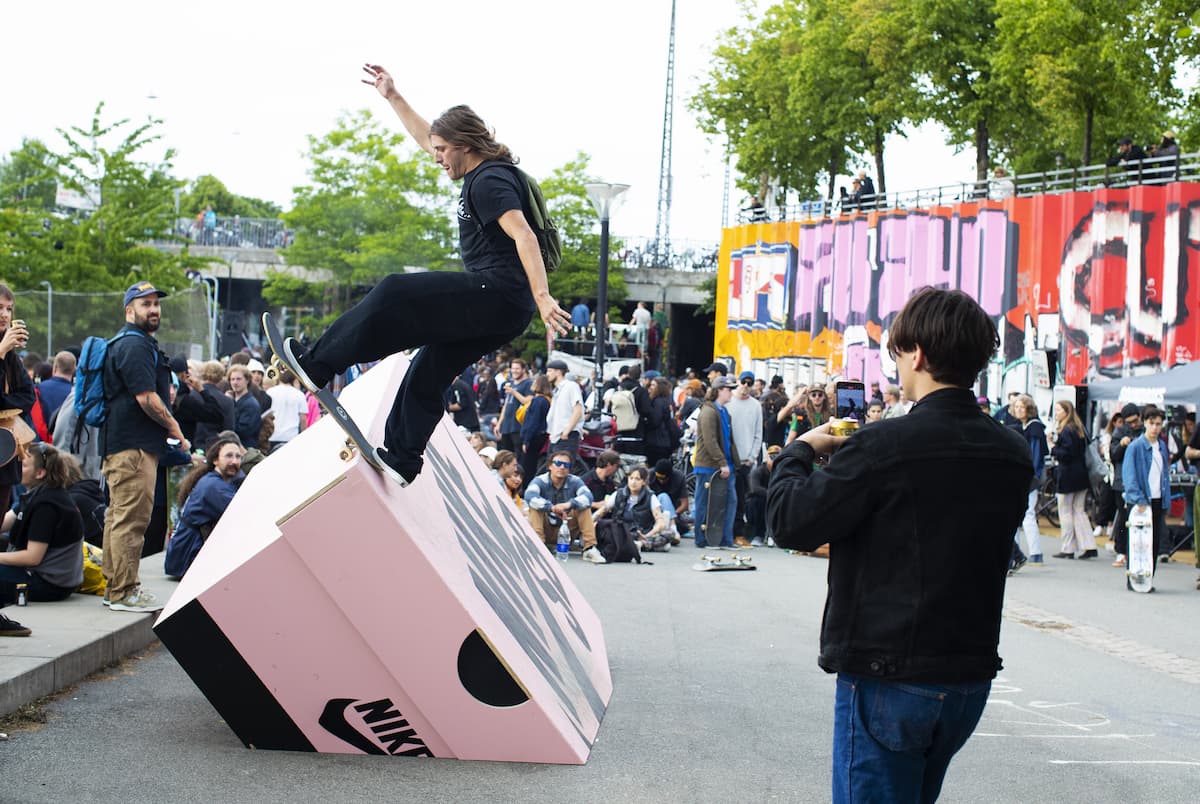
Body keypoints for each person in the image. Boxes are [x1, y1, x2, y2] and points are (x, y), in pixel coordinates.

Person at [766, 287, 1032, 803]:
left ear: (919, 354)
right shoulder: (1012, 452)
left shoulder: (882, 446)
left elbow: (790, 522)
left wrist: (801, 449)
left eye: (898, 353)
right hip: (967, 674)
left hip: (888, 672)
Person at [279, 64, 571, 487]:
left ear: (465, 146)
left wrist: (543, 295)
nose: (435, 157)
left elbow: (524, 235)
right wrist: (393, 96)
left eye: (441, 150)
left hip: (499, 293)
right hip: (508, 309)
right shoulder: (482, 169)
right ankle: (402, 458)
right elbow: (423, 135)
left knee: (396, 292)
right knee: (429, 370)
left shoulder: (488, 181)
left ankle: (318, 363)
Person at [100, 283, 190, 613]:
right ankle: (124, 591)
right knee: (131, 520)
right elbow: (146, 397)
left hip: (128, 444)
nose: (153, 309)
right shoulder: (134, 346)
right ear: (129, 310)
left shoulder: (137, 343)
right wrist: (174, 428)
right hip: (132, 447)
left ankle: (116, 588)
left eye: (156, 304)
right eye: (145, 304)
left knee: (118, 517)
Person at [0, 445, 85, 618]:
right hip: (41, 575)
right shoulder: (35, 494)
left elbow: (33, 557)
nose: (17, 468)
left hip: (49, 584)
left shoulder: (47, 505)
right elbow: (2, 524)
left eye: (23, 465)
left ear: (40, 473)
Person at [164, 434, 245, 578]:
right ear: (215, 460)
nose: (234, 461)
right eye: (229, 456)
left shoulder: (218, 480)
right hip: (186, 558)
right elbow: (244, 515)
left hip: (182, 556)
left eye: (238, 457)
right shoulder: (213, 486)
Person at [524, 450, 605, 563]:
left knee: (583, 506)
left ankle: (589, 548)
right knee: (535, 507)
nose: (562, 467)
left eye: (566, 465)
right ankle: (538, 546)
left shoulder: (575, 481)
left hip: (567, 529)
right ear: (550, 466)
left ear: (569, 469)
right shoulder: (540, 480)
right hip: (546, 527)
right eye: (558, 463)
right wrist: (551, 507)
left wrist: (569, 504)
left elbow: (588, 497)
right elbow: (529, 496)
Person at [1121, 406, 1170, 588]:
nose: (1155, 428)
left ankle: (1149, 578)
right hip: (1141, 500)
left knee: (1154, 542)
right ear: (1145, 423)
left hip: (1157, 499)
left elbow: (1164, 474)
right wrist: (1138, 499)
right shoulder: (1136, 446)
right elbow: (1130, 475)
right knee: (1137, 542)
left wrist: (1166, 499)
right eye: (1152, 423)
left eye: (1158, 424)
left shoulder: (1162, 446)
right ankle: (1133, 578)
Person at [692, 376, 740, 548]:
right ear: (719, 390)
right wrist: (722, 463)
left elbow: (728, 440)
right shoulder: (708, 411)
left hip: (725, 465)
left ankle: (725, 539)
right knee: (704, 503)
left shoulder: (724, 412)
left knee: (728, 502)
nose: (731, 393)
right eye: (728, 389)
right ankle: (701, 538)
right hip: (709, 466)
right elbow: (710, 441)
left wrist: (734, 463)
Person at [0, 286, 34, 515]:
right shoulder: (5, 352)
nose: (5, 314)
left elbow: (28, 397)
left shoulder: (13, 358)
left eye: (9, 309)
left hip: (5, 456)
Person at [1050, 399, 1097, 559]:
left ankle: (1068, 547)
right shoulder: (1078, 429)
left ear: (1066, 412)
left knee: (1065, 511)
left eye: (1058, 410)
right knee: (1079, 511)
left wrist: (1053, 448)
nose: (1056, 413)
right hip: (1081, 474)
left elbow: (1066, 453)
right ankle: (1088, 545)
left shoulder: (1066, 431)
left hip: (1068, 475)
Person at [727, 371, 763, 547]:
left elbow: (758, 433)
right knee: (726, 497)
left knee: (741, 499)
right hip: (728, 458)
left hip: (746, 460)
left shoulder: (756, 405)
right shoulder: (728, 402)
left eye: (750, 383)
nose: (746, 386)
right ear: (738, 381)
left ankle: (738, 533)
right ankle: (725, 533)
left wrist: (752, 457)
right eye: (744, 382)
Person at [598, 466, 670, 552]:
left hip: (642, 533)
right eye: (631, 478)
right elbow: (602, 511)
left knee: (669, 534)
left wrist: (647, 535)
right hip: (621, 532)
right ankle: (644, 545)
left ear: (643, 482)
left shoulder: (651, 497)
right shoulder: (618, 494)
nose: (633, 482)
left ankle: (640, 544)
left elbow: (660, 522)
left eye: (637, 479)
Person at [1012, 394, 1047, 565]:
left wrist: (1032, 475)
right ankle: (1017, 551)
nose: (1018, 409)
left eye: (1021, 406)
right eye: (1016, 406)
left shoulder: (1034, 428)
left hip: (1030, 476)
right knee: (1021, 514)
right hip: (1024, 474)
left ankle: (1035, 552)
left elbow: (1036, 456)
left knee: (1028, 513)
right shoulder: (1023, 426)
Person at [1108, 403, 1144, 567]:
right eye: (1129, 422)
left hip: (1141, 481)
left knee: (1140, 517)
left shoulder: (1146, 431)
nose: (1133, 425)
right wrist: (1121, 445)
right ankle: (1121, 551)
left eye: (1135, 420)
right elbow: (1112, 454)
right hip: (1122, 482)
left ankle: (1138, 551)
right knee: (1123, 518)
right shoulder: (1120, 432)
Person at [519, 373, 553, 487]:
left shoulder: (537, 400)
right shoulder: (547, 400)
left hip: (533, 437)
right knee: (533, 464)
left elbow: (532, 422)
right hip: (541, 435)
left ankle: (524, 488)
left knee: (527, 465)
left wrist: (526, 440)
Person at [545, 359, 583, 460]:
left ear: (558, 372)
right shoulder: (557, 390)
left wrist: (566, 431)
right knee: (552, 468)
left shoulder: (571, 386)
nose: (547, 374)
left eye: (549, 371)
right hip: (556, 436)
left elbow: (578, 410)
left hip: (566, 436)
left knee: (563, 468)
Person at [746, 444, 781, 546]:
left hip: (775, 501)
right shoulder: (758, 472)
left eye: (778, 458)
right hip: (759, 502)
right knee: (757, 501)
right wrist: (773, 494)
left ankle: (777, 536)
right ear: (767, 458)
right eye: (772, 457)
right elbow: (755, 488)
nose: (775, 460)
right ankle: (758, 535)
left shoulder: (782, 472)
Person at [265, 368, 308, 451]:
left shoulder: (270, 392)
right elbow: (303, 419)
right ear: (295, 379)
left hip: (271, 436)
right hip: (291, 437)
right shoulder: (299, 394)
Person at [496, 358, 532, 453]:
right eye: (513, 368)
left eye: (517, 368)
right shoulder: (510, 383)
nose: (514, 371)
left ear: (523, 370)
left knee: (518, 454)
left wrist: (513, 392)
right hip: (506, 425)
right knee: (506, 454)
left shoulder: (528, 383)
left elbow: (527, 401)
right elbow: (506, 405)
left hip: (518, 426)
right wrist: (499, 424)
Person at [650, 457, 691, 539]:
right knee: (663, 496)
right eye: (659, 478)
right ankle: (673, 529)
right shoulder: (650, 475)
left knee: (664, 496)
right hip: (653, 513)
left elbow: (685, 505)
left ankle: (672, 527)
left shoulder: (679, 478)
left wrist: (669, 515)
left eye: (664, 479)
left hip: (673, 512)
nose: (661, 481)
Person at [226, 364, 262, 450]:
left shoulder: (251, 404)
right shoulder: (233, 400)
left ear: (247, 380)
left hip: (245, 449)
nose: (235, 382)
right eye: (232, 379)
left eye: (239, 379)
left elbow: (243, 431)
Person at [38, 351, 76, 425]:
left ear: (54, 367)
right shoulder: (76, 394)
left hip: (42, 434)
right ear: (74, 369)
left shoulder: (38, 389)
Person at [580, 450, 621, 514]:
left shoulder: (609, 482)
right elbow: (575, 501)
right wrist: (595, 504)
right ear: (609, 465)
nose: (616, 469)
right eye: (616, 466)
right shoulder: (586, 480)